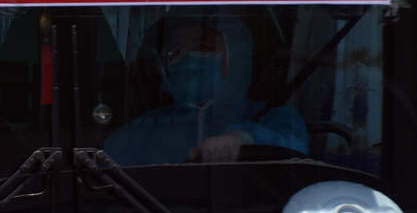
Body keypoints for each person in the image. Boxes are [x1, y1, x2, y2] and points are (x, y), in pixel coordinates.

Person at [103, 19, 308, 166]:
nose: (187, 59)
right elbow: (102, 176)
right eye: (175, 52)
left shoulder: (274, 117)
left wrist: (243, 138)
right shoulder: (143, 131)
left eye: (202, 47)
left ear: (236, 58)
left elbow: (296, 151)